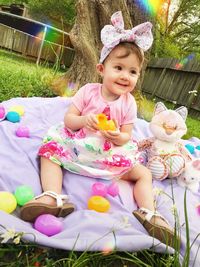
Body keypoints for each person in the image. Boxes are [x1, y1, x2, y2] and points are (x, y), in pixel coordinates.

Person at [21, 11, 177, 247]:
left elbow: (126, 135)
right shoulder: (88, 92)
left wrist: (119, 137)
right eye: (119, 67)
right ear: (101, 69)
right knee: (49, 151)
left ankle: (149, 213)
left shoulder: (128, 103)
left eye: (133, 72)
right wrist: (84, 121)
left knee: (143, 173)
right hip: (80, 147)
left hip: (109, 155)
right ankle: (52, 196)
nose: (126, 76)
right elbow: (69, 121)